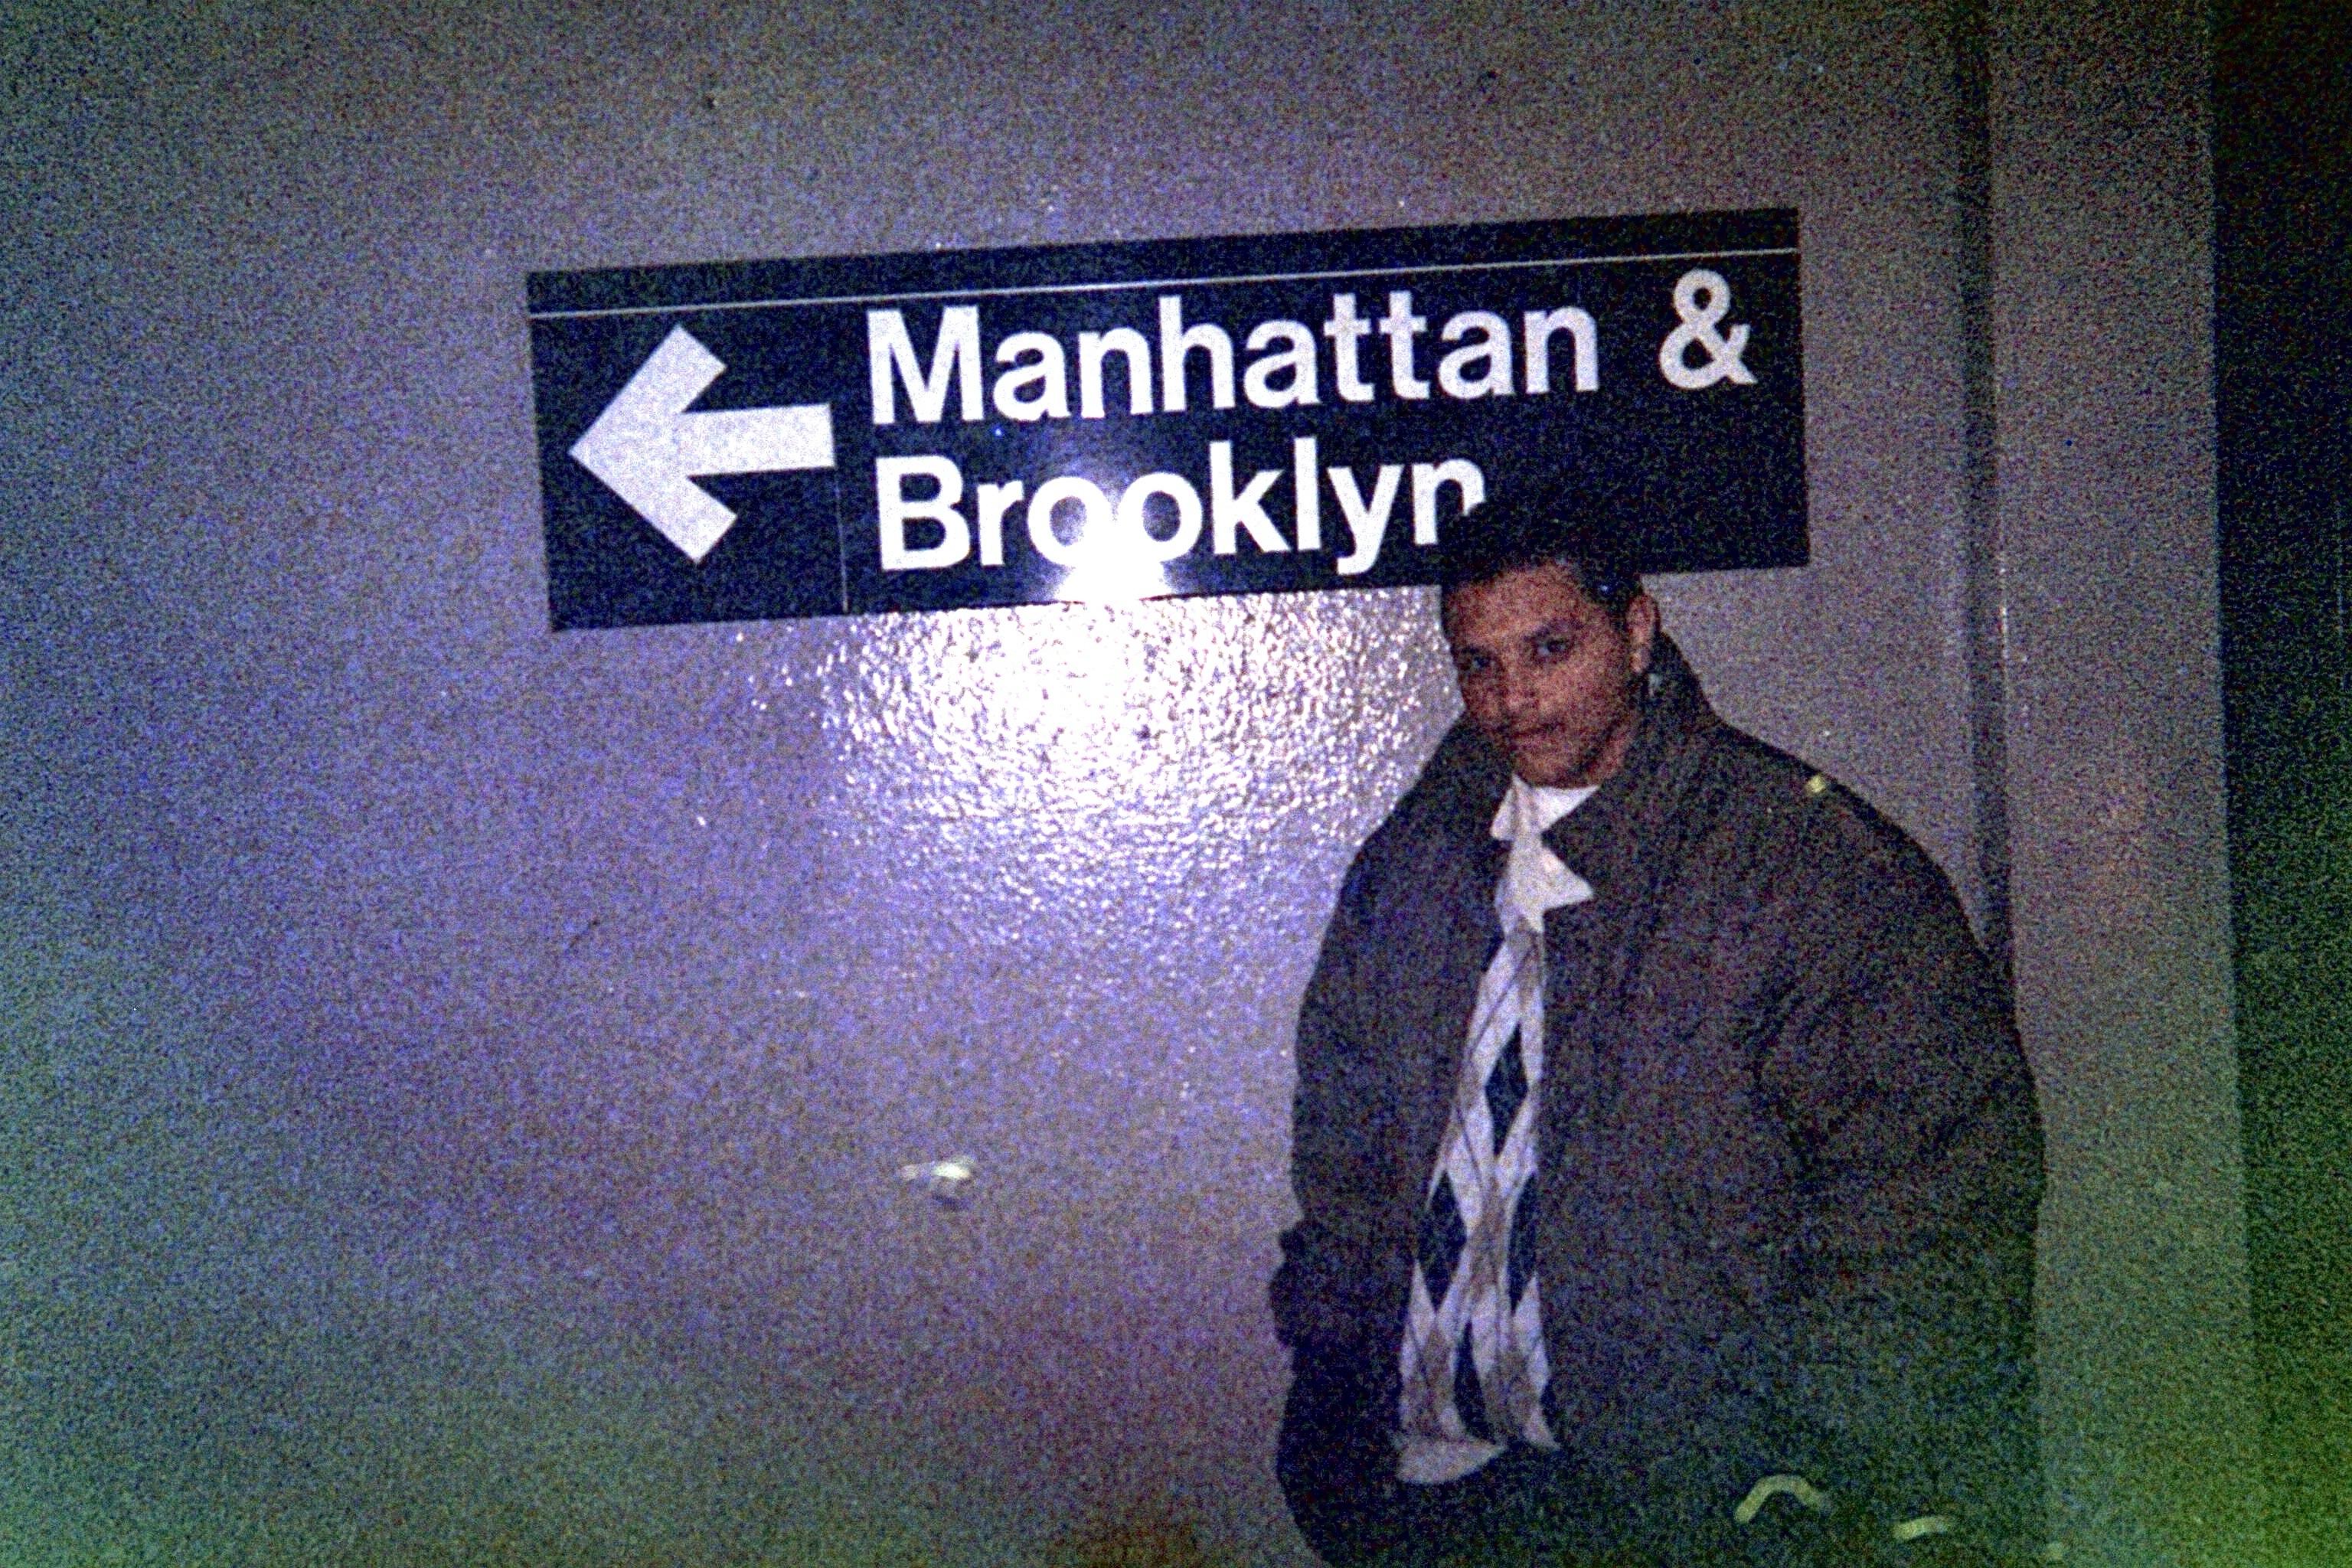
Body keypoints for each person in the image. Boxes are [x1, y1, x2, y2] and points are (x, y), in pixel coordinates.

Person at [1269, 495, 2046, 1567]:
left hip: (1688, 1511)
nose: (1513, 697)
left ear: (1637, 632)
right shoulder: (1415, 862)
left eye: (1550, 648)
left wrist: (1810, 1469)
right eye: (1477, 663)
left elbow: (1929, 1200)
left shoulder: (1807, 867)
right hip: (1428, 1496)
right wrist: (1328, 1388)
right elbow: (1344, 1148)